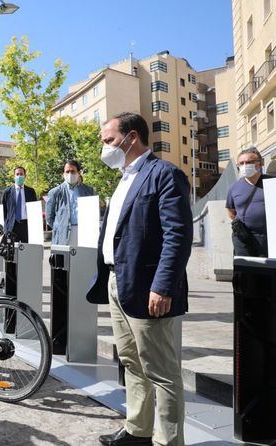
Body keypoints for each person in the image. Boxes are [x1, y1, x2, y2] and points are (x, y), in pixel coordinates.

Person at [87, 112, 192, 446]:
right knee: (131, 362)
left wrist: (163, 286)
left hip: (149, 288)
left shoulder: (164, 175)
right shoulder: (123, 179)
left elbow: (178, 236)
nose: (103, 148)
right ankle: (138, 431)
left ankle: (168, 441)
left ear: (131, 138)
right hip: (118, 283)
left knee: (162, 372)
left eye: (108, 140)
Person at [226, 146, 272, 257]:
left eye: (249, 162)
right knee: (244, 271)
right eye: (241, 163)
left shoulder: (272, 183)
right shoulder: (234, 187)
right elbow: (230, 210)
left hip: (269, 238)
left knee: (267, 272)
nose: (244, 166)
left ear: (260, 163)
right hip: (243, 238)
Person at [45, 160, 95, 246]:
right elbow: (49, 217)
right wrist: (60, 227)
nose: (70, 174)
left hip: (84, 234)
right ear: (63, 174)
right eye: (67, 172)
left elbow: (93, 213)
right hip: (63, 234)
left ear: (79, 173)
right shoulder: (55, 192)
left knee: (83, 259)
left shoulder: (88, 191)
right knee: (64, 259)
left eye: (72, 171)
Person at [1, 166, 37, 242]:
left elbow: (34, 210)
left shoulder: (31, 191)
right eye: (17, 174)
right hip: (12, 226)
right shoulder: (7, 192)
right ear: (14, 176)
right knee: (12, 251)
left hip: (26, 226)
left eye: (21, 174)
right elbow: (4, 211)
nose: (19, 176)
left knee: (26, 250)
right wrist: (6, 228)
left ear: (25, 176)